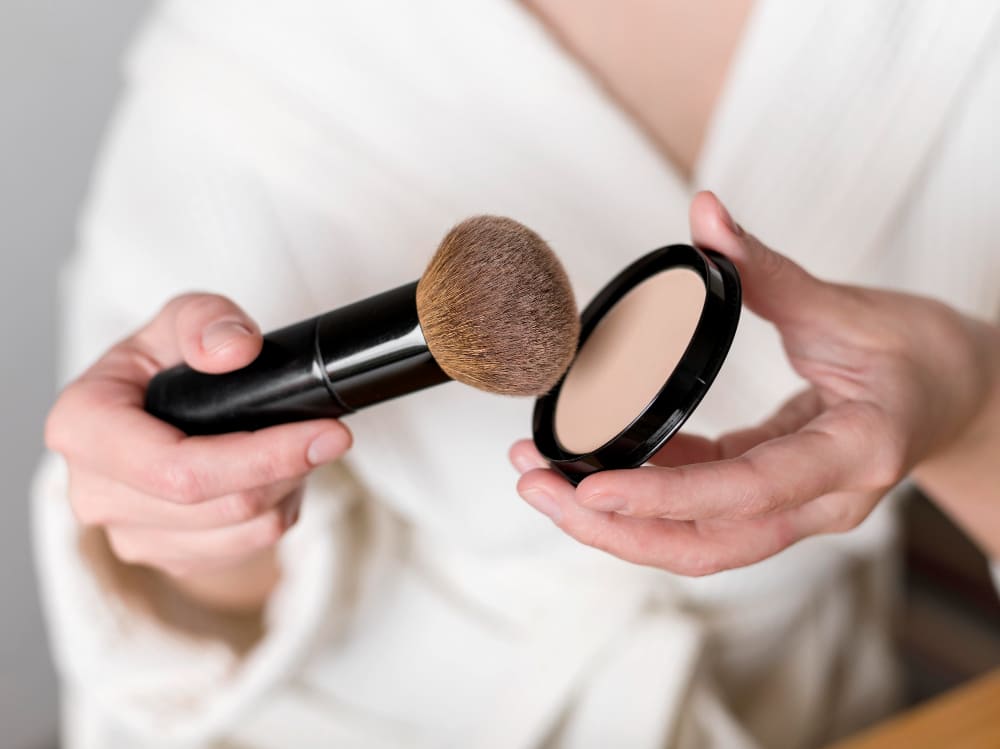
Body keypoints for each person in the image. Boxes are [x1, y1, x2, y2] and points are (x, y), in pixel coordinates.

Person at [35, 1, 1000, 748]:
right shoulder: (255, 51)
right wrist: (205, 528)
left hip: (797, 708)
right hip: (364, 704)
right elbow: (180, 619)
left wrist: (975, 406)